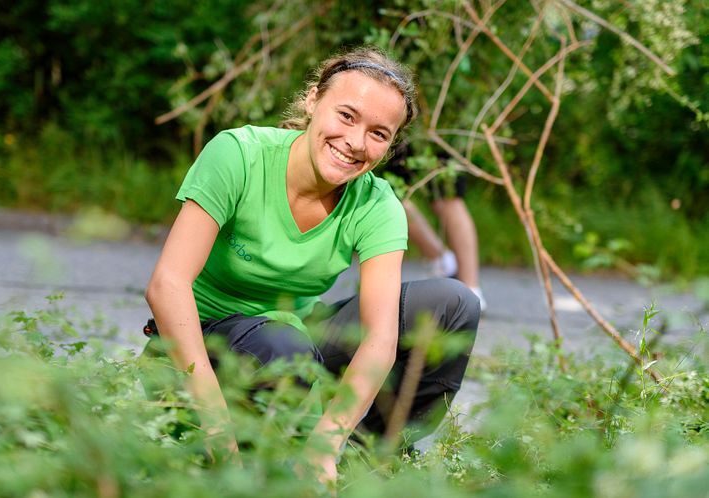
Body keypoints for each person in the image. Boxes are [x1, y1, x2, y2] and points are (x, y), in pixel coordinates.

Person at [143, 47, 480, 483]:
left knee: (453, 304)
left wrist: (328, 442)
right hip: (198, 349)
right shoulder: (239, 155)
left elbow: (379, 337)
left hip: (295, 340)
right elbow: (167, 285)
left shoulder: (378, 205)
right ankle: (248, 455)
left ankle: (354, 458)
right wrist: (214, 422)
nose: (356, 142)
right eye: (346, 116)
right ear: (312, 101)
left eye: (379, 133)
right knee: (284, 348)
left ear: (391, 144)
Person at [388, 143, 487, 311]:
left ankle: (471, 290)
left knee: (448, 195)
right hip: (409, 124)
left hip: (433, 124)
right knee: (390, 196)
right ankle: (445, 263)